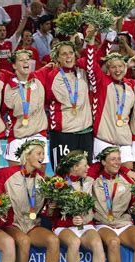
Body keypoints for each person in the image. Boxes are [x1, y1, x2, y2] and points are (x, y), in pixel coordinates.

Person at [0, 140, 64, 262]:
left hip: (32, 224)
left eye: (43, 154)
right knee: (23, 241)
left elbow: (47, 211)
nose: (42, 157)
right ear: (27, 155)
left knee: (53, 240)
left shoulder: (44, 180)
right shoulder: (6, 174)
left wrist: (51, 207)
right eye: (39, 153)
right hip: (13, 223)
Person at [52, 150, 113, 262]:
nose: (88, 168)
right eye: (85, 165)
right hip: (63, 225)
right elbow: (51, 212)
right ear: (74, 167)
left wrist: (126, 170)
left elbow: (106, 160)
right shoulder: (58, 182)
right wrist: (58, 209)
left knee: (97, 244)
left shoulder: (88, 178)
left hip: (85, 225)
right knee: (74, 243)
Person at [37, 41, 93, 170]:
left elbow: (92, 62)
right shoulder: (52, 76)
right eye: (64, 54)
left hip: (85, 133)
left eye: (71, 53)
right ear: (57, 58)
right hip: (64, 133)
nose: (68, 56)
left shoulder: (83, 72)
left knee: (85, 173)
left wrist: (89, 43)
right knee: (63, 174)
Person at [84, 28, 135, 170]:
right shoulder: (102, 82)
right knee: (98, 178)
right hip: (103, 140)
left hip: (124, 141)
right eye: (113, 67)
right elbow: (91, 65)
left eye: (120, 66)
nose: (117, 70)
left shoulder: (131, 86)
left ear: (125, 68)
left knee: (129, 179)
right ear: (108, 69)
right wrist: (94, 43)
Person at [3, 50, 49, 168]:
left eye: (27, 59)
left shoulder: (39, 79)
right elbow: (2, 109)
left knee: (40, 178)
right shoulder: (8, 85)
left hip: (38, 134)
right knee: (15, 177)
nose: (25, 62)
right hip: (17, 136)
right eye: (21, 60)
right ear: (14, 65)